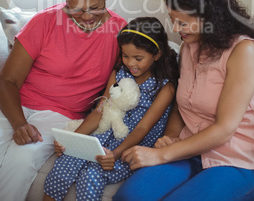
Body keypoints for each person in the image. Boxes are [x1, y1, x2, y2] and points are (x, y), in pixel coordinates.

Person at [114, 0, 254, 201]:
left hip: (235, 158)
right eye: (172, 20)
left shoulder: (242, 51)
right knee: (129, 196)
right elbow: (180, 104)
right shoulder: (188, 48)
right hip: (188, 149)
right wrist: (172, 137)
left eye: (182, 22)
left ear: (209, 17)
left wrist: (162, 155)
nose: (175, 29)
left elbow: (224, 129)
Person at [0, 0, 127, 201]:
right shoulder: (44, 22)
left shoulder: (120, 33)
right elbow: (7, 81)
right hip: (16, 104)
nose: (88, 17)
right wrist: (18, 123)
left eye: (96, 7)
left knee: (22, 158)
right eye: (76, 9)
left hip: (61, 115)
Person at [42, 16, 178, 201]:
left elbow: (143, 128)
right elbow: (101, 111)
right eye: (126, 56)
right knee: (63, 165)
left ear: (157, 54)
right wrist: (73, 141)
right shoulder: (119, 73)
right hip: (103, 136)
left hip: (130, 146)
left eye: (138, 58)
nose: (131, 63)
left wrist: (115, 154)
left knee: (91, 175)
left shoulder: (165, 87)